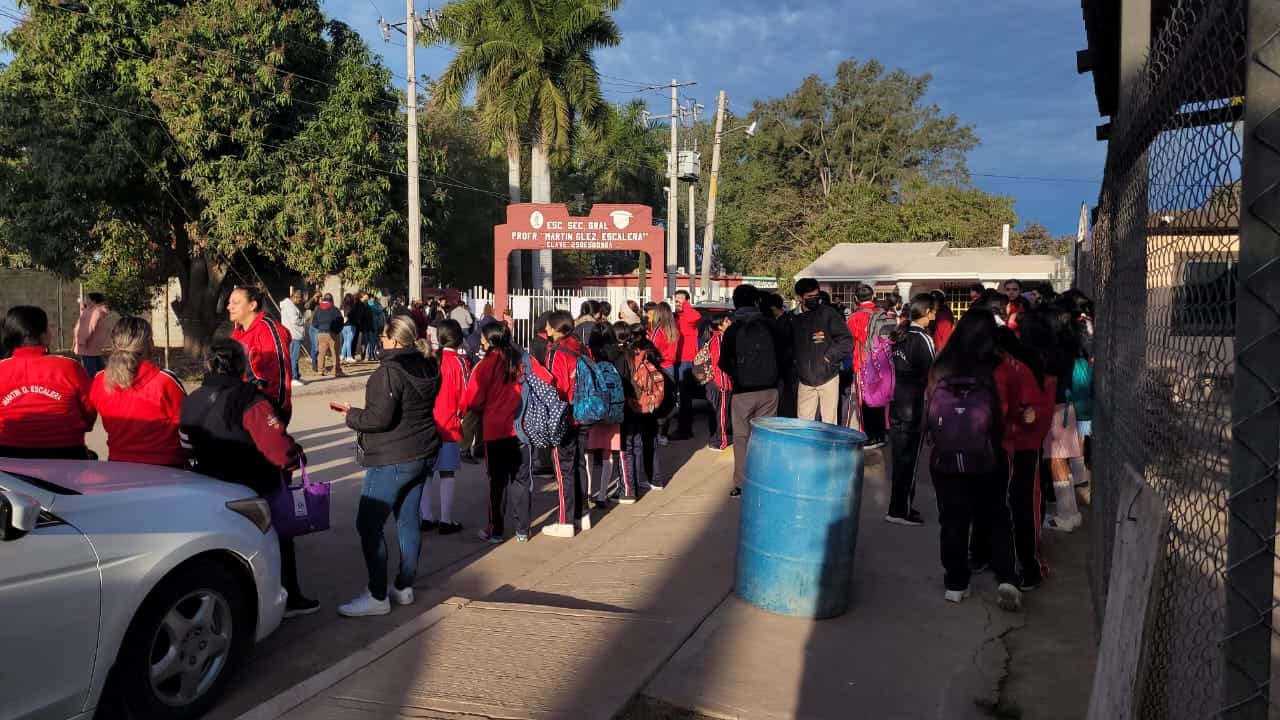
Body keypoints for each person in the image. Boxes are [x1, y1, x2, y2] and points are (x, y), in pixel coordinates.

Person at [179, 339, 318, 617]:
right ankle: (288, 598)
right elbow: (278, 449)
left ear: (208, 364)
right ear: (243, 366)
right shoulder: (250, 400)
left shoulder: (192, 399)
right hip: (254, 488)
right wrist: (296, 458)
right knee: (278, 541)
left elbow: (185, 443)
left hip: (208, 486)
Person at [331, 315, 441, 617]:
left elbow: (379, 419)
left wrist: (351, 415)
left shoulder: (389, 372)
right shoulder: (428, 364)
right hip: (422, 450)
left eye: (382, 336)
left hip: (394, 456)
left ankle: (377, 594)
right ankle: (404, 586)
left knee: (368, 523)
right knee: (408, 519)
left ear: (394, 339)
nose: (380, 340)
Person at [924, 309, 1023, 612]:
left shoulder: (941, 364)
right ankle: (1006, 578)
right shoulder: (1000, 366)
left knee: (952, 517)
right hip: (989, 452)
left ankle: (955, 583)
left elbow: (930, 407)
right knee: (996, 514)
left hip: (946, 456)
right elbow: (1012, 409)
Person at [0, 306, 96, 459]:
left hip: (8, 457)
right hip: (67, 454)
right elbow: (90, 409)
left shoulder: (2, 369)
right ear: (44, 335)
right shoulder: (69, 367)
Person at [89, 317, 187, 466]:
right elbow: (187, 425)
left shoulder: (100, 380)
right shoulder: (165, 381)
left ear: (114, 344)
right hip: (166, 468)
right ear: (150, 344)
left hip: (118, 464)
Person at [718, 285, 783, 498]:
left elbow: (723, 362)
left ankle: (741, 484)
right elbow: (784, 355)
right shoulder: (770, 326)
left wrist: (738, 375)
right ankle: (765, 481)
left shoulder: (733, 330)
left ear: (735, 303)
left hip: (742, 392)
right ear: (756, 302)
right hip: (769, 391)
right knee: (765, 437)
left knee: (741, 438)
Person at [465, 323, 527, 543]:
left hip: (495, 429)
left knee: (497, 482)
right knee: (520, 480)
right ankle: (522, 529)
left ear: (490, 340)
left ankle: (496, 530)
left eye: (483, 337)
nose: (480, 341)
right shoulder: (519, 360)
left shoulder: (486, 365)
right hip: (520, 426)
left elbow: (473, 399)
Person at [885, 294, 936, 526]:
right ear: (926, 312)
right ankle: (900, 510)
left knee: (899, 458)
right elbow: (932, 374)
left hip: (896, 402)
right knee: (909, 459)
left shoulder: (899, 335)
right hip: (913, 405)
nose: (934, 315)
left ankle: (898, 506)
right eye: (933, 311)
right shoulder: (922, 338)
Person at [541, 310, 589, 536]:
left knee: (564, 469)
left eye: (548, 325)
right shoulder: (581, 347)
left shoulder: (556, 352)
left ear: (556, 327)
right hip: (584, 411)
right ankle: (582, 514)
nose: (546, 329)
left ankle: (565, 521)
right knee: (579, 464)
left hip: (565, 415)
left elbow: (556, 388)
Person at [422, 319, 470, 535]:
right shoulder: (460, 363)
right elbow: (466, 393)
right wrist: (461, 413)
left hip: (427, 423)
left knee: (426, 473)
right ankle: (446, 519)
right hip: (449, 423)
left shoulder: (430, 360)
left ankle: (426, 517)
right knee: (447, 473)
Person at [790, 278, 853, 425]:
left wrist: (829, 357)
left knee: (829, 424)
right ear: (799, 297)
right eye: (809, 297)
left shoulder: (828, 313)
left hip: (828, 377)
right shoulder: (792, 318)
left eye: (816, 296)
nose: (814, 299)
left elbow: (846, 340)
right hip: (804, 380)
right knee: (803, 425)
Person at [228, 286, 293, 424]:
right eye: (229, 303)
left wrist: (275, 411)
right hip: (242, 407)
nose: (229, 307)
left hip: (265, 409)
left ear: (252, 305)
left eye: (235, 303)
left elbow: (281, 374)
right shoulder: (237, 332)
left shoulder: (268, 330)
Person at [616, 321, 661, 502]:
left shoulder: (620, 357)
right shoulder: (641, 353)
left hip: (627, 405)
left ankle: (628, 490)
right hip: (642, 403)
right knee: (637, 444)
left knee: (626, 448)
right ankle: (635, 482)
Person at [585, 322, 624, 506]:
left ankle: (588, 491)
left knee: (589, 450)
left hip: (593, 409)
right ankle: (602, 495)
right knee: (608, 452)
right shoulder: (617, 354)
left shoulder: (588, 355)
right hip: (613, 409)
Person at [847, 284, 890, 446]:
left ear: (856, 299)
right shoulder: (883, 315)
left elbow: (849, 342)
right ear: (873, 297)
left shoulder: (853, 318)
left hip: (863, 362)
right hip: (882, 363)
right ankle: (881, 433)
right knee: (880, 398)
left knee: (866, 400)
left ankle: (871, 435)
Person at [649, 303, 681, 444]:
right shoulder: (673, 330)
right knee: (668, 400)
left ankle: (656, 434)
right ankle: (663, 434)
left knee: (657, 400)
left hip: (659, 367)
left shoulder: (658, 330)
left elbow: (651, 349)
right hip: (671, 367)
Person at [672, 290, 703, 439]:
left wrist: (684, 305)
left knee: (685, 396)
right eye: (676, 300)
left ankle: (685, 429)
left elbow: (696, 316)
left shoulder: (690, 316)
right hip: (676, 360)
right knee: (680, 396)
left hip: (686, 361)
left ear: (687, 301)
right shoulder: (676, 317)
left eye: (681, 299)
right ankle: (682, 425)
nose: (677, 302)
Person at [705, 313, 733, 452]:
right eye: (726, 321)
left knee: (720, 412)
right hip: (720, 382)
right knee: (721, 413)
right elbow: (719, 364)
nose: (730, 322)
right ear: (720, 326)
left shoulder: (718, 338)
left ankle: (718, 438)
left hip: (720, 382)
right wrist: (723, 384)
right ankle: (720, 442)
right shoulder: (719, 340)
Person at [72, 292, 113, 377]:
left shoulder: (95, 311)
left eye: (87, 298)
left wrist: (81, 340)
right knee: (99, 368)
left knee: (91, 372)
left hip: (88, 345)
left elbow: (90, 327)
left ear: (93, 301)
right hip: (91, 345)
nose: (85, 300)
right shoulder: (92, 310)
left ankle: (94, 384)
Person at [312, 293, 345, 377]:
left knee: (321, 353)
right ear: (332, 300)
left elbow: (314, 323)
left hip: (321, 333)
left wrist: (321, 327)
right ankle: (336, 371)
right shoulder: (334, 309)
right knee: (335, 352)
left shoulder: (318, 309)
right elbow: (340, 321)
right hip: (332, 333)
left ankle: (320, 370)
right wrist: (337, 330)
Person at [280, 290, 309, 387]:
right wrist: (305, 319)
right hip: (294, 334)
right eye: (299, 300)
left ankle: (296, 375)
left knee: (293, 357)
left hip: (292, 334)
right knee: (294, 357)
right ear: (295, 297)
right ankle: (293, 377)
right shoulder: (290, 306)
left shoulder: (288, 305)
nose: (299, 302)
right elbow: (295, 320)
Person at [366, 293, 386, 362]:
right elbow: (380, 312)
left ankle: (371, 355)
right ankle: (372, 355)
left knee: (372, 341)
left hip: (374, 325)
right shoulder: (374, 306)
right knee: (373, 341)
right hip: (374, 326)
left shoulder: (371, 305)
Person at [340, 294, 359, 364]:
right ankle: (349, 356)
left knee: (345, 341)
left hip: (343, 326)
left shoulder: (342, 306)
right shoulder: (352, 307)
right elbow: (352, 316)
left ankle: (342, 355)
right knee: (349, 341)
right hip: (351, 325)